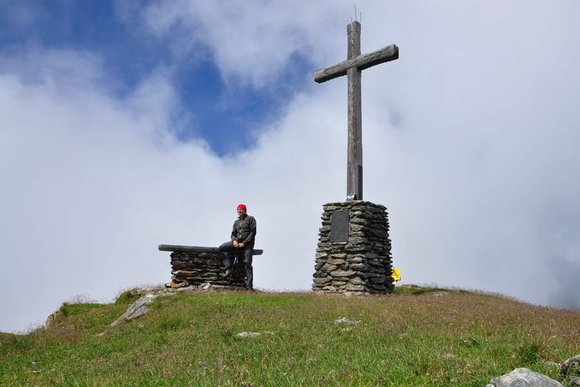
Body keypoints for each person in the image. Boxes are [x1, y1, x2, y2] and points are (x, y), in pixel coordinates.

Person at [219, 203, 257, 290]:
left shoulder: (251, 219)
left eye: (241, 209)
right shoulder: (236, 222)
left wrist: (244, 243)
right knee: (222, 248)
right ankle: (228, 267)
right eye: (238, 209)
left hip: (247, 245)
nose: (239, 211)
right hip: (237, 242)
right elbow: (233, 234)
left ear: (245, 210)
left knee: (247, 263)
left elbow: (252, 233)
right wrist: (234, 241)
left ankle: (249, 287)